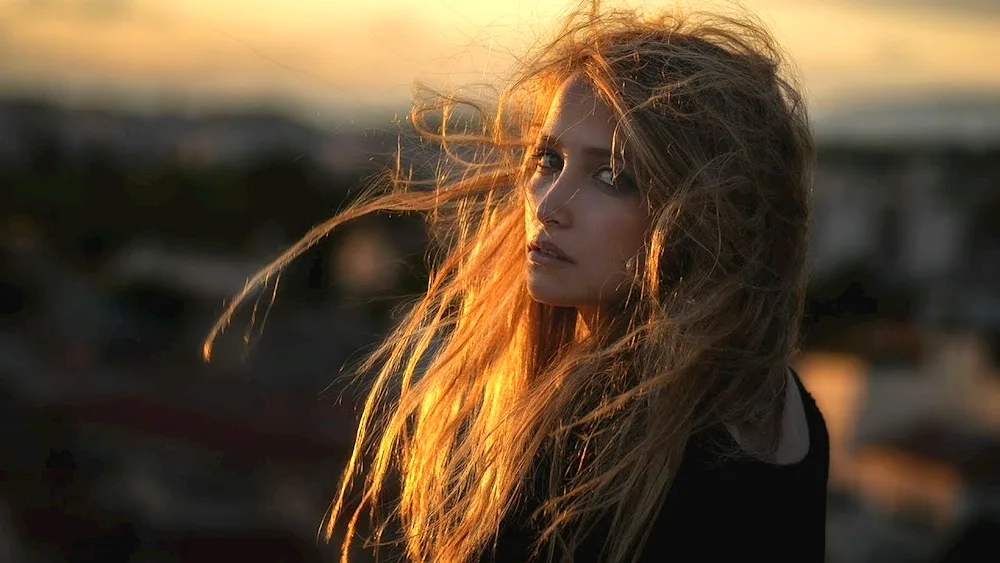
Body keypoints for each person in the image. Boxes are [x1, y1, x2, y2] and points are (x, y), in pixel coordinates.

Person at [205, 2, 829, 562]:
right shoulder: (786, 410)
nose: (549, 202)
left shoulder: (603, 432)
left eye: (613, 176)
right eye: (549, 160)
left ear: (707, 214)